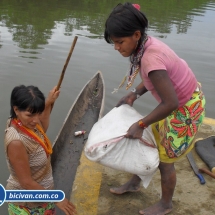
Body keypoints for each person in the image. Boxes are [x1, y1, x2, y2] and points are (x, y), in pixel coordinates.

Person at [104, 2, 206, 215]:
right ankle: (134, 182)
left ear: (136, 34)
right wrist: (135, 94)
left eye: (119, 42)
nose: (116, 47)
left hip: (185, 110)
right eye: (113, 43)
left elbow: (170, 103)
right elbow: (155, 80)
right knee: (150, 143)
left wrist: (141, 123)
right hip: (177, 102)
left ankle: (166, 204)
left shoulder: (150, 58)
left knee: (165, 160)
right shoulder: (146, 44)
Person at [4, 85, 77, 215]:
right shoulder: (16, 142)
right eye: (30, 115)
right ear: (16, 109)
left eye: (39, 113)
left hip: (42, 194)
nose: (36, 120)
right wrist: (56, 197)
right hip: (27, 204)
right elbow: (26, 183)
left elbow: (41, 129)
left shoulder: (23, 123)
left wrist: (48, 102)